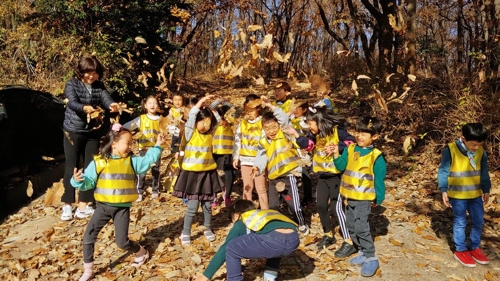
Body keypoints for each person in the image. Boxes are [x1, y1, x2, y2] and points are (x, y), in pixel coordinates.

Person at [71, 123, 165, 281]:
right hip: (102, 208)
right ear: (114, 143)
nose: (129, 146)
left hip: (122, 209)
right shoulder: (99, 162)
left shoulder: (131, 161)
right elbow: (88, 181)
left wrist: (157, 147)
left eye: (131, 143)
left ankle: (141, 252)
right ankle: (88, 270)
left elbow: (147, 161)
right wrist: (77, 181)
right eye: (127, 143)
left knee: (122, 242)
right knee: (88, 237)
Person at [289, 106, 355, 256]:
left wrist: (337, 147)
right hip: (322, 176)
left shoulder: (337, 131)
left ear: (320, 122)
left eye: (311, 123)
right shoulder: (314, 134)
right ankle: (328, 234)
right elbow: (309, 145)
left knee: (336, 208)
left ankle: (349, 241)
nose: (309, 126)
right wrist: (295, 135)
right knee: (320, 206)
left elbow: (351, 142)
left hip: (337, 176)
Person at [61, 56, 119, 221]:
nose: (91, 76)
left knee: (90, 167)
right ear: (81, 72)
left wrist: (111, 105)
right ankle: (67, 204)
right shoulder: (72, 84)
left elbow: (105, 98)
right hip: (72, 130)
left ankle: (83, 205)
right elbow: (72, 102)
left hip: (92, 131)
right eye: (88, 73)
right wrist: (84, 108)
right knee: (71, 166)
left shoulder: (99, 86)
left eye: (94, 73)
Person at [193, 199, 299, 281]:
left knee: (232, 247)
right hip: (294, 239)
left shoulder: (242, 221)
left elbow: (224, 249)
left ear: (236, 215)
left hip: (273, 239)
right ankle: (269, 277)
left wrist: (205, 276)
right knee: (275, 248)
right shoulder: (263, 215)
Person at [332, 117, 386, 277]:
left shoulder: (376, 156)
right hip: (348, 197)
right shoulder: (350, 149)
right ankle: (361, 251)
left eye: (364, 134)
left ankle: (371, 257)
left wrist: (378, 199)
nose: (359, 136)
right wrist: (336, 153)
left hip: (363, 199)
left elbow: (379, 180)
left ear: (374, 137)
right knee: (351, 226)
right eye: (358, 132)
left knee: (362, 228)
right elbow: (341, 166)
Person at [173, 95, 224, 245]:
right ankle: (186, 232)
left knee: (208, 205)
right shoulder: (191, 132)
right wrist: (200, 104)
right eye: (202, 122)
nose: (205, 126)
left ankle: (207, 228)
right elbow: (190, 119)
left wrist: (212, 108)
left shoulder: (210, 133)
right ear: (195, 122)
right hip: (192, 175)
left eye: (208, 123)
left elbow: (218, 121)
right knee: (193, 207)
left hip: (207, 173)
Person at [438, 123, 490, 267]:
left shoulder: (481, 152)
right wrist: (443, 190)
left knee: (478, 221)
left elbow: (483, 172)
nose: (476, 147)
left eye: (480, 144)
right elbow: (443, 170)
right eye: (473, 144)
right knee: (460, 221)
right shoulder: (451, 150)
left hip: (475, 195)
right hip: (457, 195)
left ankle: (474, 247)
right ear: (463, 139)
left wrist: (486, 189)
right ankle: (460, 249)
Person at [250, 105, 309, 235]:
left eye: (273, 127)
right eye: (267, 128)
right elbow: (261, 158)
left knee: (293, 204)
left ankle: (301, 223)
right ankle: (276, 226)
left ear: (278, 125)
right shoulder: (263, 142)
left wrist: (272, 106)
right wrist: (257, 168)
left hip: (289, 175)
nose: (271, 131)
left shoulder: (284, 134)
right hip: (273, 178)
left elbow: (283, 118)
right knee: (274, 205)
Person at [122, 95, 162, 201]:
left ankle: (155, 191)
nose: (152, 105)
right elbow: (127, 126)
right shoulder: (141, 119)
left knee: (156, 170)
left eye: (155, 103)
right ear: (145, 105)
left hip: (156, 148)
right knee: (142, 171)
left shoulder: (161, 119)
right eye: (150, 103)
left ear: (158, 105)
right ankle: (139, 191)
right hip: (143, 149)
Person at [232, 94, 269, 209]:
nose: (249, 113)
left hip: (259, 161)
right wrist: (235, 156)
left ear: (258, 109)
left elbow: (266, 142)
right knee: (247, 187)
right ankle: (247, 213)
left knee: (261, 188)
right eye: (247, 111)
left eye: (251, 110)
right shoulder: (242, 123)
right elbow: (238, 140)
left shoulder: (262, 122)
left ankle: (265, 213)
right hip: (245, 160)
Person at [211, 103, 235, 208]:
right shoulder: (214, 122)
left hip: (227, 152)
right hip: (214, 152)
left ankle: (227, 195)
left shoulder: (232, 124)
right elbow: (211, 108)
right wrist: (219, 100)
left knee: (229, 176)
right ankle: (213, 197)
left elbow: (234, 109)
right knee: (212, 175)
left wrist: (226, 103)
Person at [290, 102, 314, 206]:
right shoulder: (291, 119)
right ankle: (291, 197)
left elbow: (310, 137)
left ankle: (308, 198)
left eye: (297, 108)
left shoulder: (306, 122)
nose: (295, 110)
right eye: (293, 107)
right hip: (291, 150)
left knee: (305, 175)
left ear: (304, 109)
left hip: (303, 151)